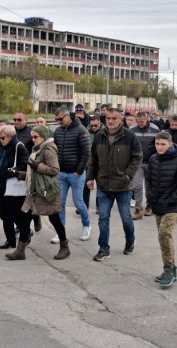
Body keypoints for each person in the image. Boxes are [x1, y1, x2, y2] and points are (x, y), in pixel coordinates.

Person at [87, 108, 142, 261]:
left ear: (121, 119)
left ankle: (130, 241)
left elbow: (137, 157)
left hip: (123, 185)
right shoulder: (100, 136)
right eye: (108, 118)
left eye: (114, 118)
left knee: (126, 218)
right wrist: (90, 178)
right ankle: (104, 248)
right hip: (104, 184)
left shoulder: (129, 136)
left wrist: (128, 175)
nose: (110, 121)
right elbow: (93, 159)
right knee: (103, 218)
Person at [145, 132, 177, 289]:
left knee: (165, 234)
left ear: (170, 144)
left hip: (172, 205)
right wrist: (150, 197)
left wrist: (171, 200)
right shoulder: (153, 159)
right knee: (162, 237)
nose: (159, 147)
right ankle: (170, 268)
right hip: (157, 204)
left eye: (163, 144)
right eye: (157, 144)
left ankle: (168, 270)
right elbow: (149, 180)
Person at [24, 125, 68, 260]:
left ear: (43, 136)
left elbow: (55, 170)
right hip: (37, 189)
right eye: (31, 137)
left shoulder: (48, 150)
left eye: (36, 137)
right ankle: (20, 249)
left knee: (54, 218)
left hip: (47, 191)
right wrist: (21, 174)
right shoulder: (37, 149)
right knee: (25, 217)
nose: (33, 139)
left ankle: (64, 247)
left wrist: (37, 166)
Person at [52, 107, 91, 244]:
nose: (59, 122)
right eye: (57, 120)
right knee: (60, 204)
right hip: (61, 173)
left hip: (76, 174)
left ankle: (86, 225)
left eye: (61, 119)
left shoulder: (81, 130)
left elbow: (87, 152)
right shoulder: (58, 131)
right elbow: (54, 151)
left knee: (79, 203)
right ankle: (60, 231)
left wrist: (79, 171)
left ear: (68, 116)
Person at [0, 125, 30, 260]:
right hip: (4, 186)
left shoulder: (18, 146)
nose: (1, 140)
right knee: (4, 214)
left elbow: (24, 165)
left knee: (15, 216)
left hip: (15, 188)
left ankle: (25, 236)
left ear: (10, 137)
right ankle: (10, 240)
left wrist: (10, 171)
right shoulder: (3, 147)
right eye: (0, 138)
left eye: (3, 138)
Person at [14, 111, 41, 233]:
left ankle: (35, 218)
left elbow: (37, 149)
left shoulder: (31, 133)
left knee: (28, 200)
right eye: (15, 119)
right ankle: (21, 226)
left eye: (19, 119)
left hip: (27, 171)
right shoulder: (12, 132)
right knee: (16, 203)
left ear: (26, 120)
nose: (17, 122)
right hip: (15, 171)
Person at [130, 111, 160, 219]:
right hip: (138, 162)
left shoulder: (155, 129)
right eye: (138, 121)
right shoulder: (132, 129)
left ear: (147, 119)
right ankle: (138, 209)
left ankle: (149, 206)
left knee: (149, 187)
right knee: (137, 186)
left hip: (151, 162)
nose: (140, 123)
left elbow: (159, 143)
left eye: (142, 121)